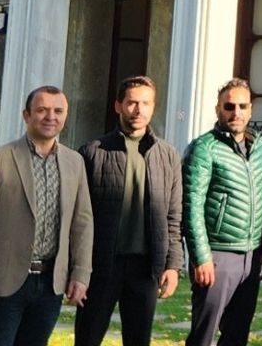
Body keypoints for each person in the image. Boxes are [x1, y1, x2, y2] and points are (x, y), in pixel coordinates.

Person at [0, 85, 94, 346]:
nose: (50, 117)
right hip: (3, 283)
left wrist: (81, 274)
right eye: (42, 110)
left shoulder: (74, 162)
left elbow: (83, 223)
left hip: (50, 284)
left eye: (58, 111)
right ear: (26, 115)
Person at [75, 75, 184, 346]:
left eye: (146, 103)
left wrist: (173, 265)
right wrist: (76, 268)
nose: (138, 110)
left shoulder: (167, 155)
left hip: (145, 267)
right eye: (132, 103)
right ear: (118, 106)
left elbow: (173, 216)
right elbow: (78, 217)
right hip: (101, 266)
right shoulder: (92, 152)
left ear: (153, 107)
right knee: (87, 338)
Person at [182, 78, 262, 346]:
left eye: (242, 106)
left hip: (251, 255)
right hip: (218, 255)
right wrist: (201, 257)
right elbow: (192, 205)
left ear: (251, 110)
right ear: (218, 109)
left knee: (237, 335)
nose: (236, 113)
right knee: (203, 334)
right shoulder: (204, 148)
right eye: (229, 106)